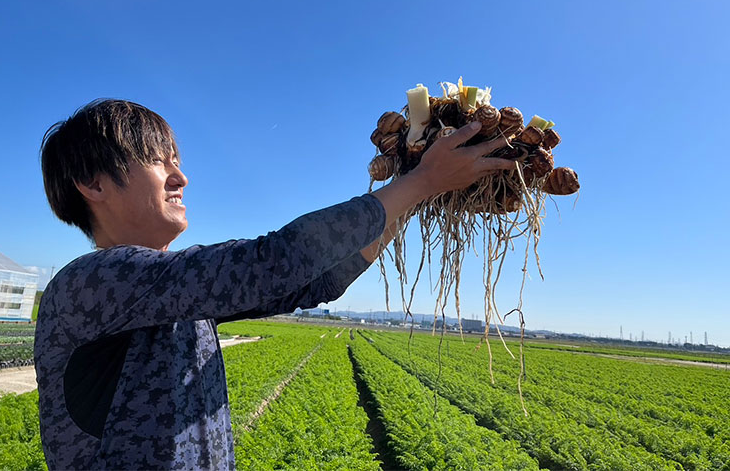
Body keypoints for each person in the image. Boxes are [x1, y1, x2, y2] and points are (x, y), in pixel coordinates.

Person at [35, 98, 516, 470]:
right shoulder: (91, 284)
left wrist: (412, 193)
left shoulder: (169, 297)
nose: (180, 176)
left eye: (176, 160)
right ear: (93, 184)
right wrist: (420, 183)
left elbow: (311, 283)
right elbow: (273, 261)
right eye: (159, 161)